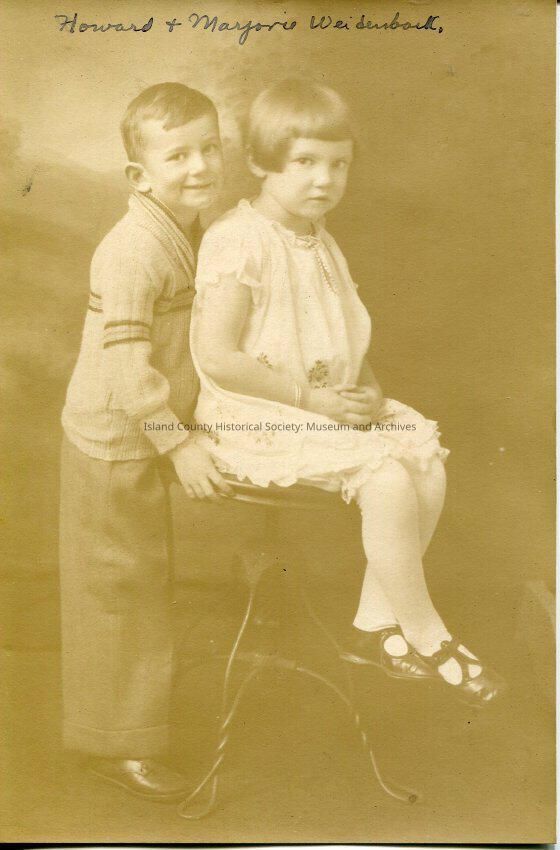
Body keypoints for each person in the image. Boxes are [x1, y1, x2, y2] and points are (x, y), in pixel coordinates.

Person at [190, 78, 505, 708]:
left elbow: (336, 336)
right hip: (251, 415)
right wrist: (311, 401)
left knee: (423, 456)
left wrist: (366, 388)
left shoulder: (318, 238)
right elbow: (218, 357)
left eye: (338, 164)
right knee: (385, 476)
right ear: (260, 162)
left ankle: (373, 625)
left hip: (319, 405)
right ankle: (429, 634)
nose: (323, 179)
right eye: (305, 161)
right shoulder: (238, 239)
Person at [59, 82, 233, 801]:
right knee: (119, 594)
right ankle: (115, 745)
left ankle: (132, 722)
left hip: (147, 433)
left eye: (209, 148)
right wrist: (179, 445)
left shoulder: (193, 229)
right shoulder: (132, 250)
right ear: (139, 175)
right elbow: (130, 373)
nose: (200, 166)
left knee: (140, 585)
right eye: (178, 155)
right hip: (114, 440)